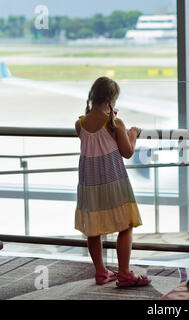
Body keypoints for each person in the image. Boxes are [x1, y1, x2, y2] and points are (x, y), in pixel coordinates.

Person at [74, 77, 150, 287]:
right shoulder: (115, 123)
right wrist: (132, 134)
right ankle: (125, 273)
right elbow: (127, 152)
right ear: (110, 99)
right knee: (125, 225)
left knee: (94, 228)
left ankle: (101, 271)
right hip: (113, 180)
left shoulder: (79, 123)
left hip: (89, 184)